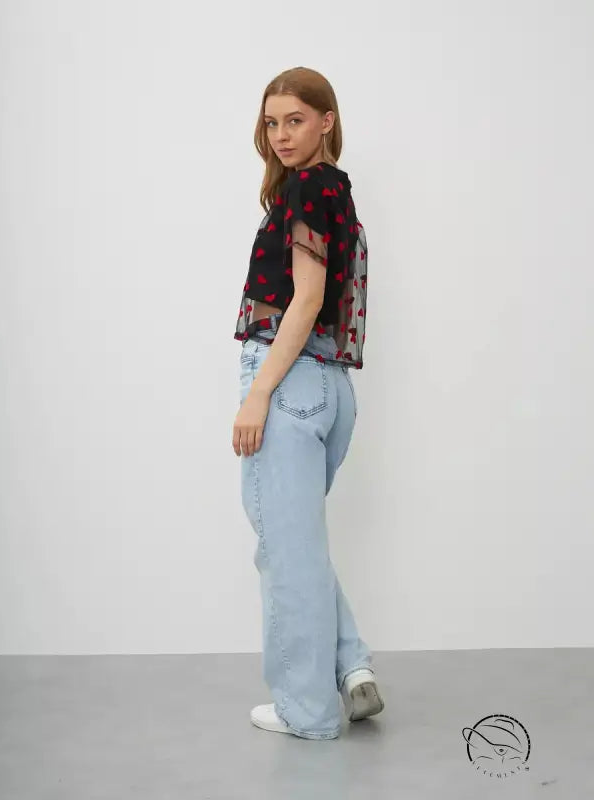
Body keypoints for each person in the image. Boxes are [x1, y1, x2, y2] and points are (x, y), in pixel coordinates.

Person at [232, 66, 384, 740]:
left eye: (295, 119)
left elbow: (309, 296)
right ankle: (351, 668)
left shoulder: (310, 189)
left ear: (327, 120)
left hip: (290, 381)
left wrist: (259, 391)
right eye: (272, 122)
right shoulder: (334, 192)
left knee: (285, 556)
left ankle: (309, 713)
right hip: (329, 389)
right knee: (300, 543)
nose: (282, 134)